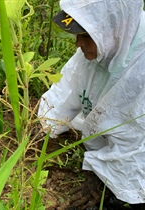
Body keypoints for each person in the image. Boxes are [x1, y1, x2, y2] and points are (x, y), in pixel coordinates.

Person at [38, 0, 145, 209]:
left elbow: (136, 142)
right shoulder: (108, 44)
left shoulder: (139, 68)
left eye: (86, 35)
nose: (78, 43)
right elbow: (67, 88)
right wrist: (44, 124)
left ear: (117, 29)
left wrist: (102, 181)